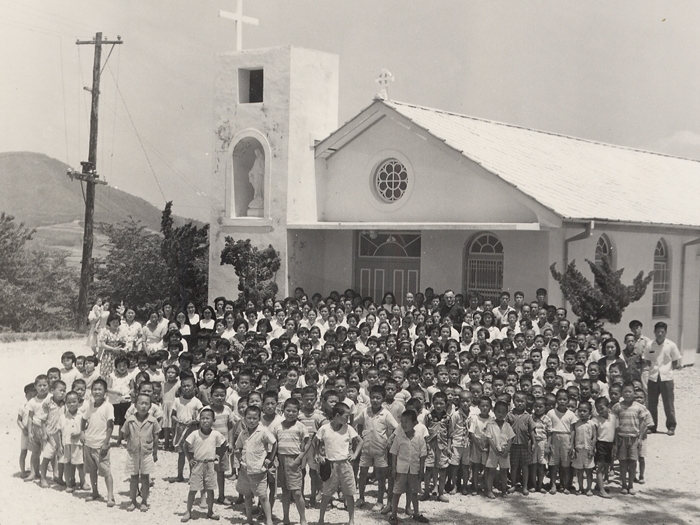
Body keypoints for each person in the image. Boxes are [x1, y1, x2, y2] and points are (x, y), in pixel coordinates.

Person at [315, 402, 363, 525]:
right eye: (346, 416)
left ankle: (351, 520)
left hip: (345, 465)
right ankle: (321, 520)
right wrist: (319, 454)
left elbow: (360, 441)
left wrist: (355, 454)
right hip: (330, 465)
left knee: (349, 493)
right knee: (326, 494)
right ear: (337, 415)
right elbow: (315, 441)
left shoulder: (348, 428)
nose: (348, 419)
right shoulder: (324, 428)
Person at [355, 384, 397, 511]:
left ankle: (379, 501)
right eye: (373, 397)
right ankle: (361, 498)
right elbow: (357, 422)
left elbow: (397, 427)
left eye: (378, 398)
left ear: (383, 399)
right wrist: (359, 436)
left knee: (380, 475)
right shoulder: (365, 411)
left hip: (380, 448)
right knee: (362, 473)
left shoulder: (386, 414)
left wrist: (390, 439)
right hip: (366, 448)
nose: (375, 400)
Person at [181, 408, 228, 522]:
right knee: (193, 489)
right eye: (202, 418)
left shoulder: (216, 434)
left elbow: (224, 444)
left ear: (213, 420)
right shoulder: (195, 433)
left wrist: (218, 456)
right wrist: (190, 458)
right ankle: (188, 511)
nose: (205, 421)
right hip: (198, 464)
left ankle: (210, 511)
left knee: (210, 489)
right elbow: (185, 445)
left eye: (208, 418)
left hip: (210, 465)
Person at [236, 405, 277, 525]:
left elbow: (274, 443)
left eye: (254, 418)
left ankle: (268, 520)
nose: (251, 421)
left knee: (263, 496)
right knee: (247, 495)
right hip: (245, 469)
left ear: (259, 419)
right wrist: (240, 459)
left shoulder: (263, 431)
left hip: (258, 470)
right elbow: (238, 446)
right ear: (244, 418)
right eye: (248, 418)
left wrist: (270, 457)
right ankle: (249, 519)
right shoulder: (243, 433)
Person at [271, 398, 309, 525]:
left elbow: (307, 443)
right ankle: (285, 518)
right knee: (285, 491)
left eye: (294, 411)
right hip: (281, 460)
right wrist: (274, 458)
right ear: (283, 410)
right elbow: (275, 444)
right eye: (288, 410)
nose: (291, 413)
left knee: (297, 492)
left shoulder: (300, 426)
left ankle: (302, 518)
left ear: (298, 412)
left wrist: (299, 459)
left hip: (294, 460)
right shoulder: (278, 427)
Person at [389, 409, 429, 524]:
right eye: (402, 421)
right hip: (401, 469)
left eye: (407, 421)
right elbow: (394, 453)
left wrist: (421, 469)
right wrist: (393, 468)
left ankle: (416, 513)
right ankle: (393, 515)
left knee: (414, 492)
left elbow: (423, 454)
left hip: (414, 470)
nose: (404, 424)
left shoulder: (419, 438)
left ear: (414, 423)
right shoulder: (399, 437)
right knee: (397, 492)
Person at [123, 393, 161, 511]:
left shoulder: (153, 421)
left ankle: (144, 501)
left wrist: (155, 452)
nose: (144, 406)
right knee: (133, 478)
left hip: (146, 453)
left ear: (150, 406)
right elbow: (125, 434)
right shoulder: (130, 420)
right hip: (133, 453)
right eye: (141, 403)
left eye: (146, 404)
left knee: (145, 478)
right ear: (135, 405)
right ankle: (133, 501)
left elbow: (156, 437)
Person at [642, 321, 681, 435]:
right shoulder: (650, 345)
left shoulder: (671, 345)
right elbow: (647, 360)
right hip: (653, 377)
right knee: (652, 403)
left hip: (667, 378)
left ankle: (671, 426)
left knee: (668, 403)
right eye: (658, 331)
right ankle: (652, 426)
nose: (660, 334)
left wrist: (667, 370)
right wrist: (655, 369)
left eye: (662, 332)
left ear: (666, 332)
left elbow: (675, 361)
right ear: (654, 332)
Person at [81, 378, 116, 507]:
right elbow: (83, 419)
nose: (97, 392)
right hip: (89, 444)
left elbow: (110, 425)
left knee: (106, 472)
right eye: (94, 389)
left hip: (101, 444)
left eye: (100, 389)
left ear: (105, 392)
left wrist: (106, 442)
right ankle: (95, 492)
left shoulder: (108, 406)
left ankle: (110, 496)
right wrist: (82, 432)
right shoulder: (90, 406)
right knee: (92, 471)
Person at [612, 382, 648, 495]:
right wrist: (615, 441)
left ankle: (631, 485)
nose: (628, 394)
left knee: (633, 462)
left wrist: (640, 438)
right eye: (625, 392)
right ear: (622, 393)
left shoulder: (639, 407)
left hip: (634, 438)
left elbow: (643, 423)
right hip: (621, 438)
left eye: (630, 391)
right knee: (622, 462)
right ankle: (623, 485)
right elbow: (613, 423)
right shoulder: (617, 406)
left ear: (634, 393)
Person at [172, 374, 204, 483]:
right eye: (184, 386)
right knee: (181, 453)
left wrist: (194, 421)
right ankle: (179, 475)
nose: (186, 388)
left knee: (192, 454)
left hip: (192, 430)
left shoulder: (197, 401)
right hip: (180, 429)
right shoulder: (177, 400)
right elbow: (172, 415)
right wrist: (178, 421)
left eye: (189, 385)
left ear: (194, 387)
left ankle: (192, 475)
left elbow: (201, 416)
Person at [548, 390, 577, 494]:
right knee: (554, 464)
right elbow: (549, 429)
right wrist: (549, 443)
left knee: (565, 465)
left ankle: (564, 485)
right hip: (554, 437)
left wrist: (572, 444)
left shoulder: (571, 414)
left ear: (568, 401)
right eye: (560, 399)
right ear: (556, 400)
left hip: (566, 438)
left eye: (564, 399)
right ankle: (553, 484)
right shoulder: (551, 413)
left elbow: (573, 430)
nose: (562, 401)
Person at [39, 379, 66, 488]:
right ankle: (43, 478)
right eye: (60, 390)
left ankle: (59, 477)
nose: (62, 393)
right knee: (46, 457)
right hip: (50, 435)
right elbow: (43, 420)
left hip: (61, 435)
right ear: (52, 390)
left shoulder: (65, 403)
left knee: (61, 458)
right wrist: (44, 433)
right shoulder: (47, 403)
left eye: (64, 391)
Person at [484, 401, 515, 499]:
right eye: (498, 412)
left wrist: (507, 451)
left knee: (504, 472)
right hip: (494, 452)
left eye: (503, 412)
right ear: (494, 411)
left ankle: (504, 491)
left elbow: (510, 439)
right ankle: (489, 490)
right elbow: (489, 439)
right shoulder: (490, 425)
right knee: (491, 471)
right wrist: (495, 450)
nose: (500, 414)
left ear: (507, 413)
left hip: (504, 452)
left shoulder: (508, 426)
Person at [25, 374, 50, 482]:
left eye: (45, 385)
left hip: (48, 428)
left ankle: (55, 473)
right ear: (35, 386)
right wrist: (30, 431)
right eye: (39, 385)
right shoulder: (32, 401)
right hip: (35, 428)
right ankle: (33, 472)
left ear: (49, 385)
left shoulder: (51, 398)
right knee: (35, 452)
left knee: (50, 452)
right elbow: (30, 417)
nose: (42, 387)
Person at [570, 401, 596, 495]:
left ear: (590, 412)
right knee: (579, 471)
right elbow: (573, 437)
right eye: (580, 411)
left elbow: (594, 437)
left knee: (589, 471)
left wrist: (592, 449)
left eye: (585, 411)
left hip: (588, 450)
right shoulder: (575, 424)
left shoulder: (592, 424)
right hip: (578, 450)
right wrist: (572, 447)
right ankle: (580, 488)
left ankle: (589, 488)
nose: (582, 413)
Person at [97, 312, 126, 378]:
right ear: (109, 322)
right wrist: (113, 348)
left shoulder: (121, 331)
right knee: (108, 373)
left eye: (117, 322)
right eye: (113, 322)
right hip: (108, 355)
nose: (115, 324)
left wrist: (122, 348)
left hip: (118, 354)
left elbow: (124, 342)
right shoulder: (105, 331)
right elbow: (102, 345)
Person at [18, 383, 36, 478]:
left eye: (34, 395)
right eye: (30, 395)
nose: (32, 397)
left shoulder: (37, 406)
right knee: (23, 452)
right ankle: (23, 471)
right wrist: (23, 428)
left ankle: (34, 471)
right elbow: (18, 420)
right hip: (25, 433)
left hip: (34, 433)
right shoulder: (23, 407)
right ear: (26, 396)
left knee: (34, 453)